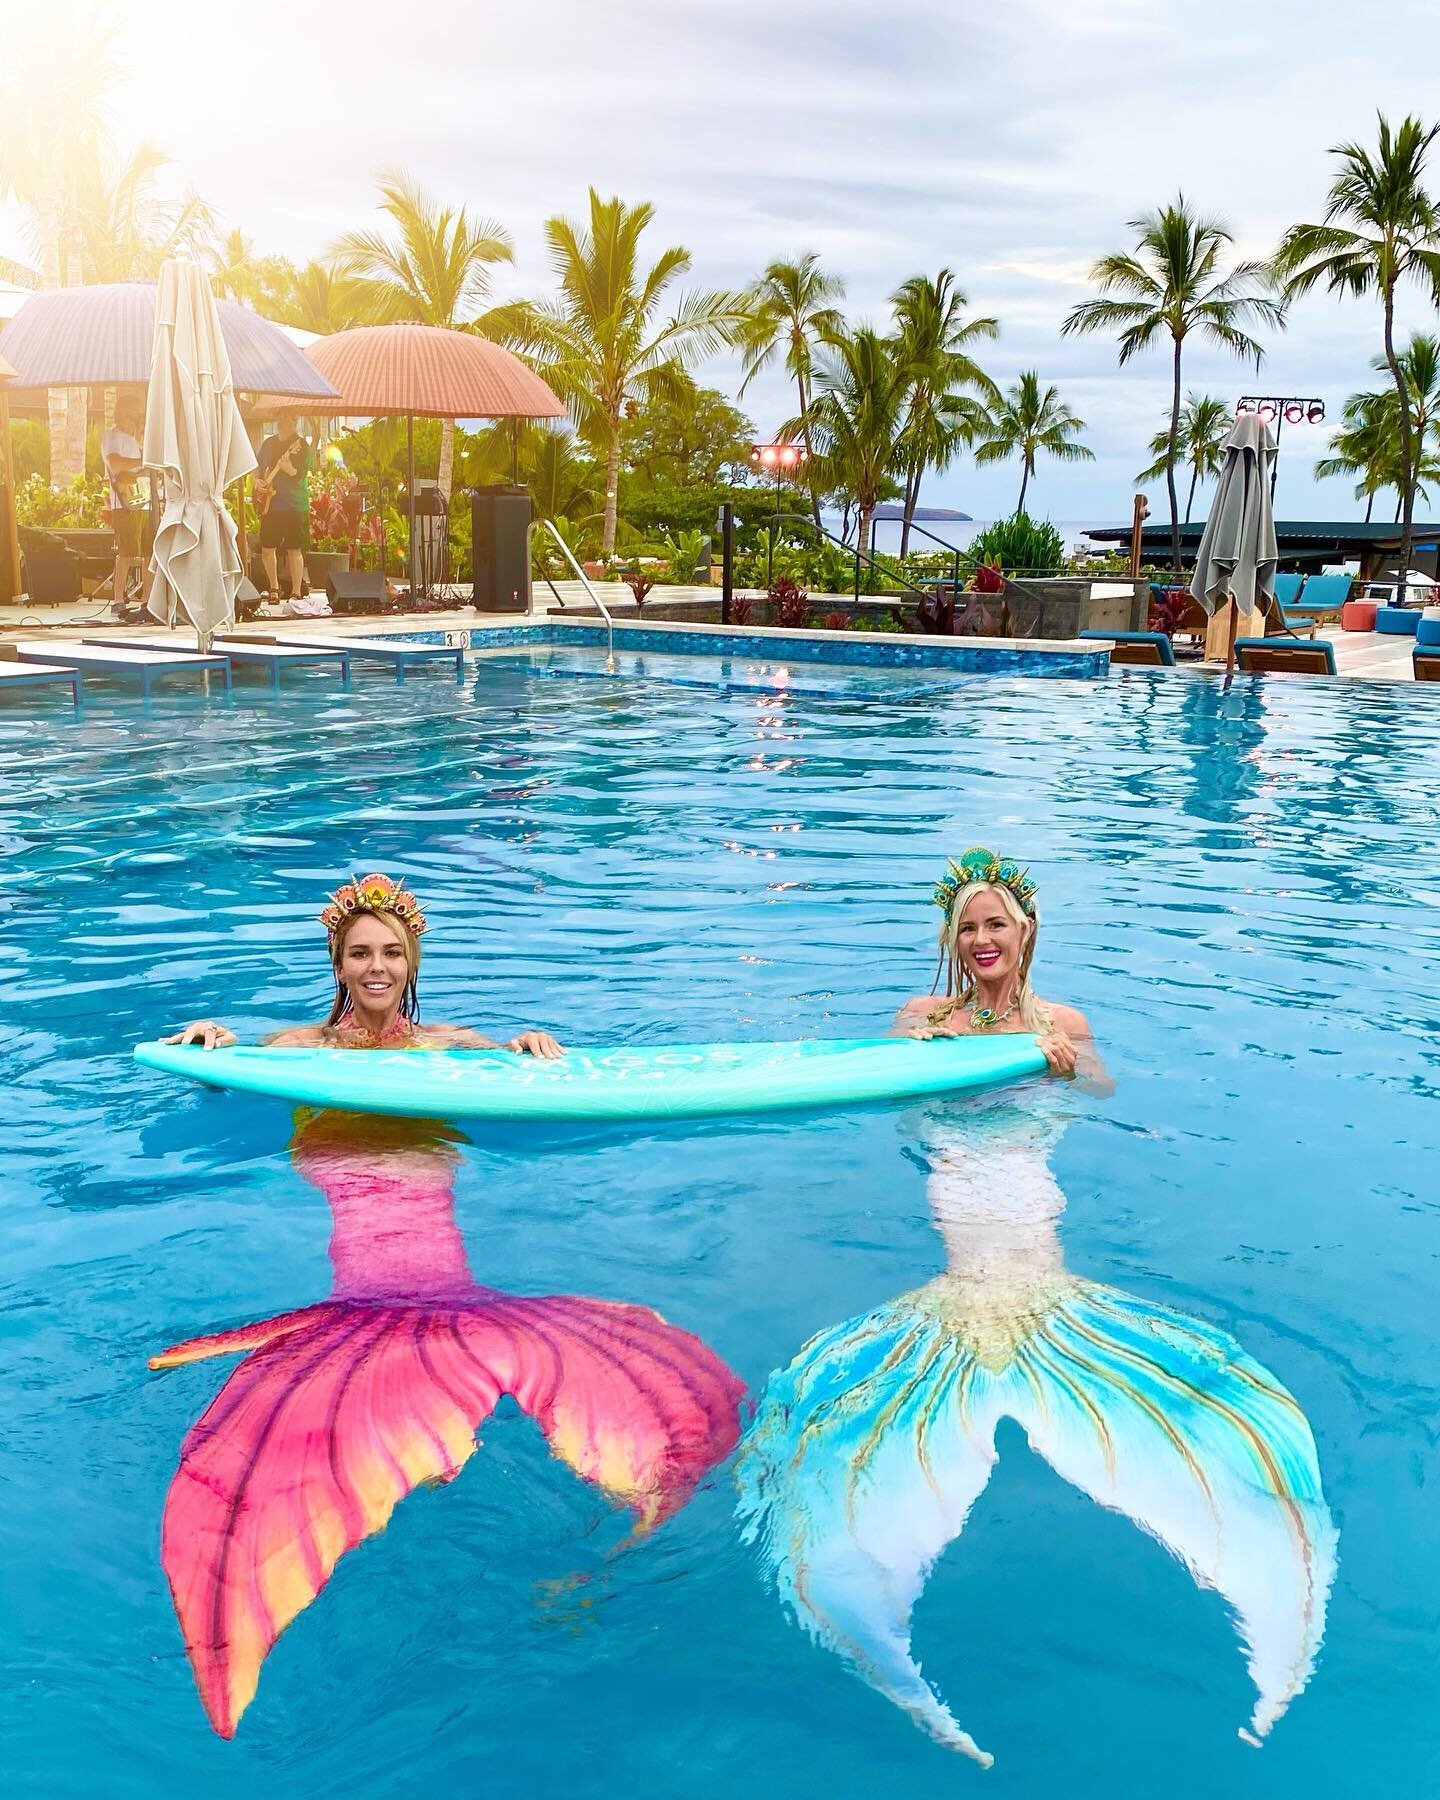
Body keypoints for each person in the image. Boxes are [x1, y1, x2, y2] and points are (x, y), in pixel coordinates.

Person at [163, 871, 563, 1055]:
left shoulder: (453, 1040)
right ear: (339, 968)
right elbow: (233, 1076)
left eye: (392, 953)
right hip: (334, 1152)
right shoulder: (301, 1044)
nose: (377, 967)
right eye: (359, 953)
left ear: (410, 965)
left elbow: (511, 1073)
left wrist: (526, 1045)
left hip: (424, 1153)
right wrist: (210, 1041)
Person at [891, 847, 1107, 1087]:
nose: (981, 940)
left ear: (1025, 929)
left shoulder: (1065, 1023)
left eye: (996, 925)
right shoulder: (920, 1014)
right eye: (968, 928)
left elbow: (1100, 1090)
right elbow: (874, 1070)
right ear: (955, 938)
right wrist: (907, 1050)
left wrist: (1068, 1071)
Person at [101, 394, 152, 617]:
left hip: (147, 501)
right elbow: (114, 463)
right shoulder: (111, 436)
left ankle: (148, 600)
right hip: (124, 504)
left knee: (150, 553)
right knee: (127, 552)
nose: (138, 418)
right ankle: (118, 600)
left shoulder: (139, 440)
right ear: (124, 413)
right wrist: (143, 463)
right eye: (135, 413)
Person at [254, 409, 312, 603]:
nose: (282, 420)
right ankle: (273, 588)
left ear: (295, 420)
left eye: (287, 417)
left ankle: (296, 591)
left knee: (294, 549)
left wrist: (290, 469)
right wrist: (257, 482)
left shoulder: (301, 445)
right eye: (280, 416)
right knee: (267, 549)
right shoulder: (268, 444)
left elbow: (301, 474)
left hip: (294, 505)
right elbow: (258, 468)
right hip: (271, 504)